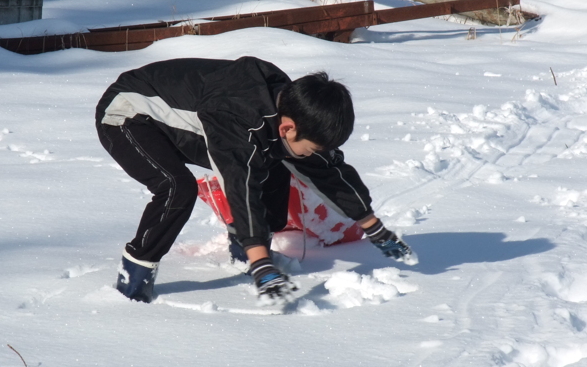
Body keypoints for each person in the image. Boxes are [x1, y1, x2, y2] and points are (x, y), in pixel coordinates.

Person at [95, 56, 417, 303]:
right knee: (177, 188)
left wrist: (372, 224)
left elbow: (328, 169)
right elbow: (240, 183)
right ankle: (134, 276)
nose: (313, 154)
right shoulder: (239, 121)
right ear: (288, 128)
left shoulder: (293, 109)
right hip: (128, 114)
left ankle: (242, 246)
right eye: (312, 148)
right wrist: (261, 263)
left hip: (189, 126)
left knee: (276, 171)